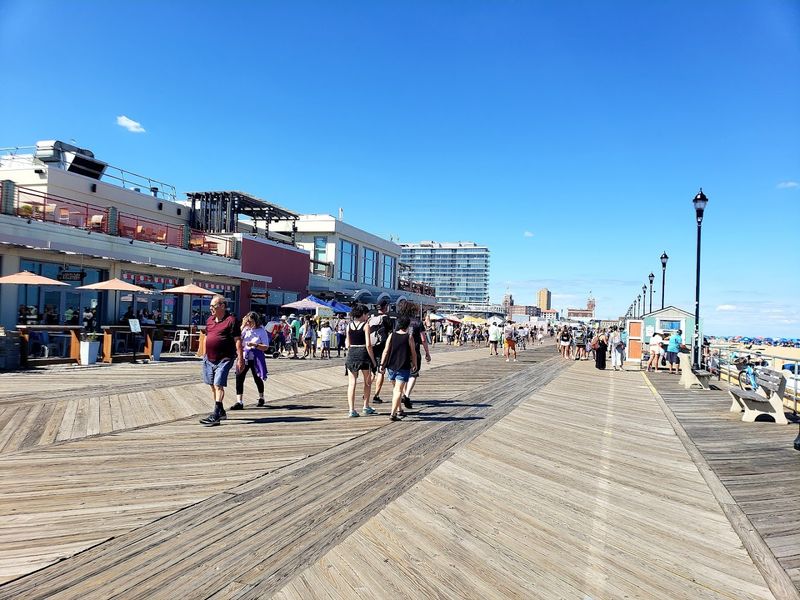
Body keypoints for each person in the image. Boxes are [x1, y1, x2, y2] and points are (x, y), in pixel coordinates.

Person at [199, 295, 243, 426]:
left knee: (218, 384)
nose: (211, 308)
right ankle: (221, 411)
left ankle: (216, 414)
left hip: (225, 358)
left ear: (222, 306)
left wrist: (240, 358)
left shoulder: (231, 320)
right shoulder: (210, 320)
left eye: (214, 306)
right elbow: (207, 336)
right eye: (211, 306)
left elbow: (238, 341)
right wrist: (203, 352)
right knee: (212, 385)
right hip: (209, 358)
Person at [379, 315, 418, 421]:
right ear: (407, 326)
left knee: (396, 389)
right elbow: (413, 352)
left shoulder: (392, 335)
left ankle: (399, 410)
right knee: (398, 390)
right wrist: (415, 364)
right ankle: (393, 414)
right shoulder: (409, 337)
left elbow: (386, 350)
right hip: (403, 366)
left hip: (391, 366)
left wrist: (382, 364)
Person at [229, 311, 269, 410]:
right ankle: (239, 401)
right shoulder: (245, 329)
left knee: (257, 378)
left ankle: (261, 397)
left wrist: (255, 345)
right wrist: (243, 326)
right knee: (239, 377)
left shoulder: (261, 331)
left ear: (256, 321)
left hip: (256, 357)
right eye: (248, 321)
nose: (249, 323)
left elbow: (266, 347)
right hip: (244, 356)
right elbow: (237, 339)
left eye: (251, 322)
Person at [344, 304, 377, 417]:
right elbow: (368, 345)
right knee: (367, 382)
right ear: (363, 314)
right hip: (363, 354)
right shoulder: (365, 325)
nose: (367, 316)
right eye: (367, 314)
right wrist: (373, 360)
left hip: (352, 353)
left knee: (352, 383)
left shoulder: (349, 326)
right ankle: (366, 406)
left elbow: (347, 343)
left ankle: (351, 409)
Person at [398, 301, 431, 409]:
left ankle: (403, 394)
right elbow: (423, 339)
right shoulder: (418, 322)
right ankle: (407, 395)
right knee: (413, 374)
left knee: (402, 374)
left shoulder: (401, 321)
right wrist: (427, 353)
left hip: (402, 351)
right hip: (414, 351)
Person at [369, 299, 394, 404]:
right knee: (381, 371)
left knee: (371, 372)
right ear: (385, 307)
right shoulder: (387, 319)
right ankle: (376, 395)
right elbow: (391, 334)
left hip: (371, 347)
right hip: (382, 347)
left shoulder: (371, 317)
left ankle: (366, 392)